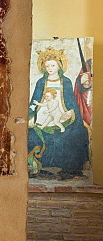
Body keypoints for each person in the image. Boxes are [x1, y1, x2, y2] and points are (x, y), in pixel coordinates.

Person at [28, 49, 90, 177]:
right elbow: (35, 101)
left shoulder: (65, 81)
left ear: (59, 66)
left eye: (53, 65)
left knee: (77, 132)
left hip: (61, 114)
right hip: (42, 115)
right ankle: (41, 168)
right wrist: (31, 115)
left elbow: (71, 102)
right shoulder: (41, 82)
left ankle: (70, 169)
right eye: (47, 66)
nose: (49, 68)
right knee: (31, 133)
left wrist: (70, 112)